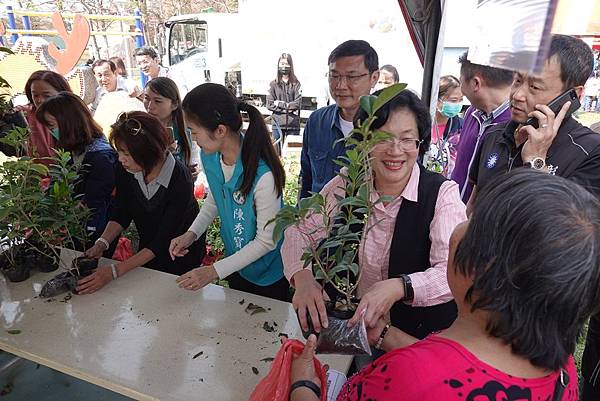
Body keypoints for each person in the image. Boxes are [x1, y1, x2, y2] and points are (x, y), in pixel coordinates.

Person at [288, 169, 599, 401]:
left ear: (484, 268)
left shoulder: (403, 380)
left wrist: (304, 386)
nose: (461, 221)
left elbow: (429, 376)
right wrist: (385, 335)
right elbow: (463, 369)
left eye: (475, 221)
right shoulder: (559, 362)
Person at [283, 89, 466, 339]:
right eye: (383, 138)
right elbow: (300, 231)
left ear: (419, 143)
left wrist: (402, 286)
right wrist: (302, 278)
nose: (395, 150)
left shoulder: (441, 195)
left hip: (413, 339)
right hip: (357, 329)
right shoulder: (350, 183)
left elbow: (453, 272)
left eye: (406, 139)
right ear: (365, 141)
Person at [169, 83, 288, 301]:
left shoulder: (264, 176)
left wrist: (213, 271)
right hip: (235, 263)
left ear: (220, 130)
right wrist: (191, 234)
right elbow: (215, 199)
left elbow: (266, 241)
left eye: (194, 132)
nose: (194, 140)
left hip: (268, 274)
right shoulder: (210, 156)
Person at [76, 111, 206, 294]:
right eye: (119, 152)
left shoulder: (179, 178)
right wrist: (102, 243)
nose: (121, 159)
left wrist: (113, 272)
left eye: (127, 153)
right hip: (148, 249)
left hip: (179, 252)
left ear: (148, 151)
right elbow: (122, 211)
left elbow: (163, 240)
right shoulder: (126, 169)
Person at [36, 92, 117, 253]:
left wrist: (59, 224)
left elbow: (93, 202)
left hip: (94, 231)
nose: (50, 132)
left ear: (69, 123)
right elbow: (56, 184)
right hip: (73, 225)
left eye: (52, 126)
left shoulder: (101, 156)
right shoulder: (70, 148)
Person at [299, 40, 379, 199]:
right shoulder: (317, 121)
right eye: (334, 76)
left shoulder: (386, 126)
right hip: (318, 221)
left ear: (374, 78)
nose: (341, 85)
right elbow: (306, 177)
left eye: (352, 76)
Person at [450, 52, 513, 202]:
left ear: (475, 83)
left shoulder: (514, 125)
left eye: (461, 82)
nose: (461, 88)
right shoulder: (472, 113)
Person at [21, 70, 73, 165]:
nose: (40, 100)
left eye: (47, 95)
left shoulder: (75, 115)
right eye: (35, 95)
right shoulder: (24, 114)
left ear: (62, 94)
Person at [143, 77, 194, 168]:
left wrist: (189, 173)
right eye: (146, 98)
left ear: (174, 104)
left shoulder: (186, 130)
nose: (150, 106)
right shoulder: (140, 129)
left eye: (157, 101)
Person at [422, 75, 463, 177]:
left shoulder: (462, 126)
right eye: (453, 100)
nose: (457, 104)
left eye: (461, 100)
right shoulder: (423, 124)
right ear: (437, 99)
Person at [266, 53, 302, 139]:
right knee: (276, 152)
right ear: (278, 65)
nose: (284, 66)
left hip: (293, 125)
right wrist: (289, 109)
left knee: (292, 152)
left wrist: (280, 104)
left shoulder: (296, 84)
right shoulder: (273, 84)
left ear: (291, 65)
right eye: (282, 64)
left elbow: (298, 104)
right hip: (277, 125)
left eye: (286, 64)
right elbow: (269, 104)